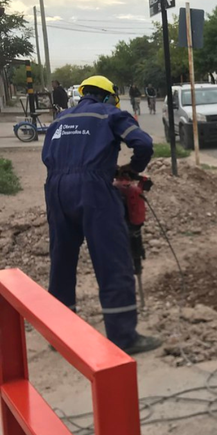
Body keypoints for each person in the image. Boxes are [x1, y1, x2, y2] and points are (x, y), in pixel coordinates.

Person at [41, 75, 162, 355]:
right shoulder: (110, 113)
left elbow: (48, 155)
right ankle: (123, 337)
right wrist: (131, 169)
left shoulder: (60, 119)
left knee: (61, 260)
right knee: (112, 260)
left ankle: (59, 335)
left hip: (56, 189)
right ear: (108, 96)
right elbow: (143, 143)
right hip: (93, 189)